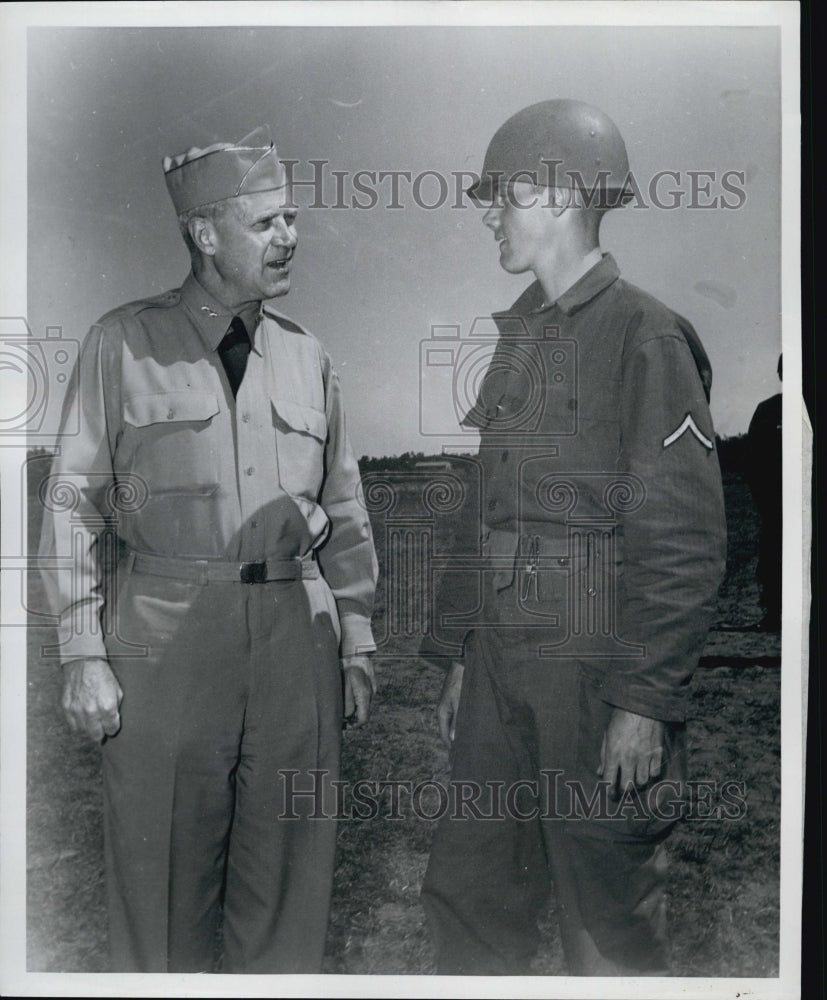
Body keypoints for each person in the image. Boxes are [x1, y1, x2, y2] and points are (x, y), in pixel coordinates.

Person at [39, 126, 378, 973]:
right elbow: (70, 503)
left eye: (292, 218)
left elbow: (344, 503)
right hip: (165, 649)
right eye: (266, 222)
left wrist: (359, 638)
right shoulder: (121, 344)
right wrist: (83, 652)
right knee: (160, 907)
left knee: (290, 901)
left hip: (298, 646)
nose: (289, 236)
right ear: (203, 233)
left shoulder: (309, 356)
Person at [420, 100, 727, 975]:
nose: (486, 215)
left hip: (596, 667)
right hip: (501, 667)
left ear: (555, 196)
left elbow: (679, 544)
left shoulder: (645, 335)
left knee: (604, 912)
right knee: (470, 895)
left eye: (499, 196)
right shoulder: (518, 339)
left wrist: (643, 700)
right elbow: (486, 510)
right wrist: (458, 654)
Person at [743, 355, 782, 631]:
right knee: (773, 557)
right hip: (776, 504)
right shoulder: (767, 411)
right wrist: (766, 502)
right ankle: (773, 614)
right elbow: (752, 461)